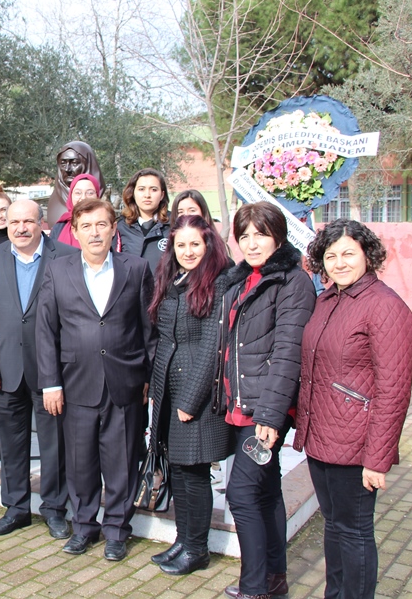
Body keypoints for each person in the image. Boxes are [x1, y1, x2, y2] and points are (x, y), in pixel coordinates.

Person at [293, 219, 412, 599]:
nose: (339, 263)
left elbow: (393, 390)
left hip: (356, 443)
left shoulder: (384, 306)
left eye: (348, 253)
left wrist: (377, 459)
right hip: (322, 436)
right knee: (334, 525)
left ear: (367, 254)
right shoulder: (329, 298)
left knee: (355, 530)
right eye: (331, 256)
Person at [36, 198, 155, 562]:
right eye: (86, 226)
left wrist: (147, 377)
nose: (94, 232)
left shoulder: (135, 269)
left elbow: (149, 329)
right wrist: (50, 383)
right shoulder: (57, 270)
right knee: (80, 462)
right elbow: (46, 331)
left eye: (101, 225)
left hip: (125, 383)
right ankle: (84, 526)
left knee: (120, 462)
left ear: (113, 228)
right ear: (74, 231)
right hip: (75, 384)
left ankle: (117, 531)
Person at [218, 202, 316, 599]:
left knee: (241, 494)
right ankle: (274, 578)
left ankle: (254, 585)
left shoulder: (292, 281)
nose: (251, 243)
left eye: (260, 234)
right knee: (267, 490)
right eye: (244, 235)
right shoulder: (242, 278)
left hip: (263, 410)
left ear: (278, 235)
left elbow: (289, 352)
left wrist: (272, 416)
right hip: (241, 404)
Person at [0, 199, 77, 539]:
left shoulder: (64, 256)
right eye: (14, 221)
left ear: (41, 224)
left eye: (28, 221)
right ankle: (16, 508)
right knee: (12, 444)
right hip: (5, 370)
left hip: (49, 372)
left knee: (54, 444)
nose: (20, 228)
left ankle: (54, 509)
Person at [147, 215, 232, 575]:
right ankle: (183, 540)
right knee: (179, 471)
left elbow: (214, 344)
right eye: (181, 245)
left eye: (195, 244)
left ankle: (197, 549)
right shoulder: (173, 279)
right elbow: (165, 338)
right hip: (169, 386)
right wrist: (156, 392)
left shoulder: (220, 282)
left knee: (194, 474)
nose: (187, 251)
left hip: (194, 393)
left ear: (208, 244)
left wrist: (189, 401)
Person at [116, 168, 170, 273]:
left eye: (154, 189)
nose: (147, 195)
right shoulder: (121, 227)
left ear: (162, 195)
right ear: (133, 193)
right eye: (141, 189)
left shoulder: (174, 225)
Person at [46, 141, 104, 225]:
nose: (67, 169)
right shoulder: (55, 203)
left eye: (74, 163)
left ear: (88, 164)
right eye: (63, 163)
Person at [50, 173, 100, 248]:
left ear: (97, 196)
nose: (83, 197)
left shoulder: (105, 225)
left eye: (90, 193)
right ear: (71, 196)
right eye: (78, 193)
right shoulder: (59, 227)